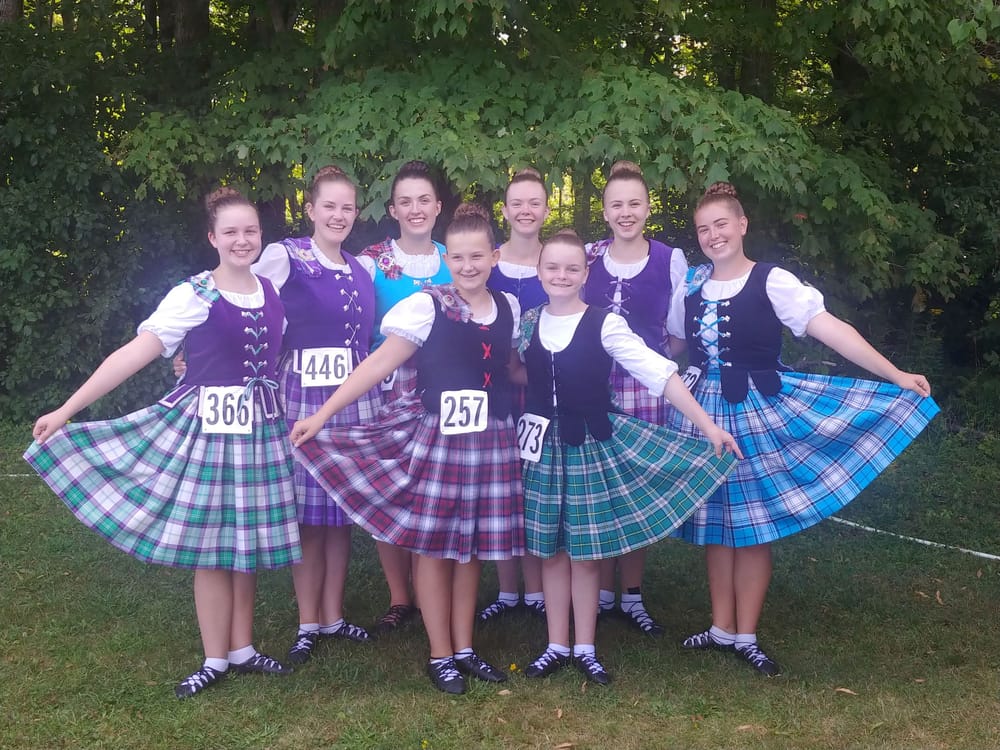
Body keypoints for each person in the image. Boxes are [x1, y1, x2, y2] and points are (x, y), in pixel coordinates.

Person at [24, 187, 300, 698]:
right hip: (208, 432)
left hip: (261, 429)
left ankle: (242, 646)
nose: (243, 240)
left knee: (246, 542)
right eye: (232, 232)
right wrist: (67, 409)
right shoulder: (194, 294)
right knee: (212, 546)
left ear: (261, 236)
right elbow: (134, 354)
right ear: (212, 237)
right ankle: (215, 656)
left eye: (251, 231)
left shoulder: (271, 286)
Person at [666, 181, 940, 676]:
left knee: (752, 525)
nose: (713, 236)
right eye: (704, 229)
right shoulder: (689, 285)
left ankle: (745, 633)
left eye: (721, 224)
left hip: (757, 410)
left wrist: (895, 374)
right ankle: (720, 626)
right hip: (704, 413)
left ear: (742, 224)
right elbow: (674, 347)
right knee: (716, 522)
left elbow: (832, 329)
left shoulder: (772, 281)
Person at [291, 203, 523, 695]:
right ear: (448, 259)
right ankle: (440, 654)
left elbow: (513, 367)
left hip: (492, 444)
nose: (467, 266)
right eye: (457, 257)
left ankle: (465, 647)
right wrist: (322, 414)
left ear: (494, 256)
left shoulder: (510, 308)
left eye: (476, 256)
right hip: (441, 442)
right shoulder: (426, 304)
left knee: (472, 550)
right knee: (437, 550)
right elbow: (377, 365)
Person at [518, 229, 741, 685]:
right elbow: (511, 371)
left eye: (571, 268)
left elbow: (658, 371)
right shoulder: (526, 322)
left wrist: (707, 425)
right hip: (540, 449)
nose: (561, 275)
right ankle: (555, 643)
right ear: (539, 271)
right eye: (552, 267)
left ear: (585, 274)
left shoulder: (604, 322)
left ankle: (585, 646)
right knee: (551, 550)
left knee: (584, 551)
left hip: (589, 445)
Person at [250, 165, 377, 663]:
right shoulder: (286, 255)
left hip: (350, 397)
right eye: (330, 206)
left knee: (339, 513)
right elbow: (247, 300)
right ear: (311, 210)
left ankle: (333, 615)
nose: (339, 215)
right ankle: (307, 621)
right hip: (302, 392)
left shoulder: (361, 267)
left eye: (347, 207)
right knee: (307, 513)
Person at [583, 160, 690, 636]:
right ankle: (601, 591)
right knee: (601, 484)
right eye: (616, 205)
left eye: (634, 204)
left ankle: (631, 594)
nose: (626, 213)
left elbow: (677, 335)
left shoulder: (671, 259)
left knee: (637, 489)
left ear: (648, 208)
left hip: (647, 386)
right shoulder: (587, 257)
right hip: (595, 384)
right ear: (604, 212)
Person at [359, 160, 452, 635]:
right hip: (388, 390)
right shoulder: (372, 261)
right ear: (392, 209)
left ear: (437, 206)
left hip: (440, 390)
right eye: (405, 201)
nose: (415, 209)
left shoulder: (454, 256)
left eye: (424, 200)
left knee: (431, 489)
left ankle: (431, 583)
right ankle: (400, 596)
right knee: (391, 489)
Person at [479, 167, 550, 623]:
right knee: (503, 486)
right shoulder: (487, 261)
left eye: (535, 202)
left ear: (546, 209)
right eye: (517, 203)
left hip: (544, 389)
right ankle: (508, 590)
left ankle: (541, 589)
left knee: (538, 485)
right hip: (495, 390)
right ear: (505, 210)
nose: (526, 210)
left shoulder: (563, 258)